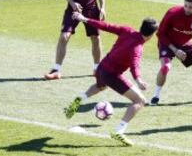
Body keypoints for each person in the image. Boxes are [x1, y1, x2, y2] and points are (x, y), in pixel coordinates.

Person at [64, 12, 158, 146]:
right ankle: (119, 131)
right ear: (151, 35)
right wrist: (138, 79)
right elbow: (134, 65)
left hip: (101, 67)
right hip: (111, 75)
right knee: (139, 100)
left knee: (100, 86)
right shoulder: (137, 47)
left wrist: (84, 19)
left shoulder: (127, 30)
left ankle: (77, 101)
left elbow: (106, 26)